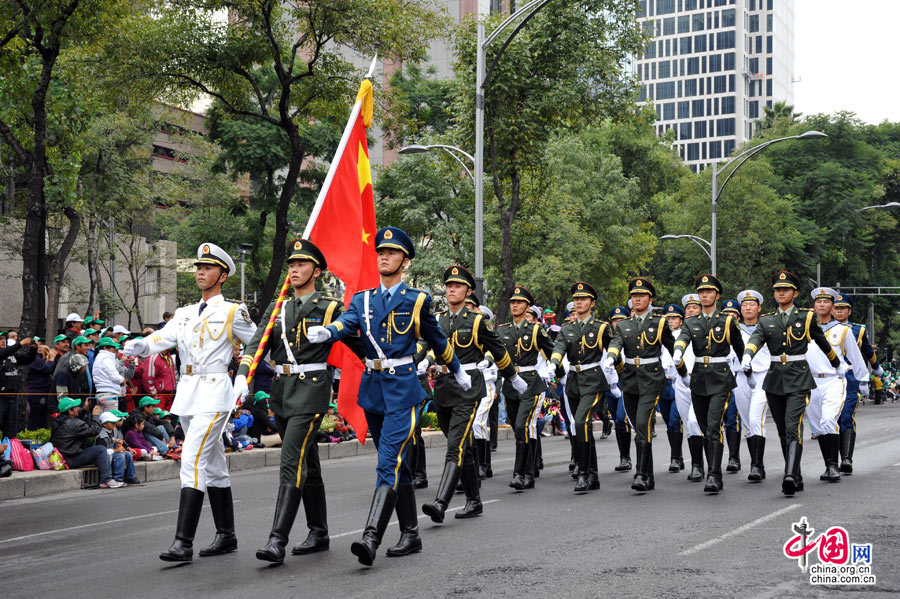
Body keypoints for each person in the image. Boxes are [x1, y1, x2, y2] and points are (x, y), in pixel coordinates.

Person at [305, 227, 469, 567]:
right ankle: (411, 533)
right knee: (397, 464)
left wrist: (457, 368)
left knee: (387, 462)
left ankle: (371, 537)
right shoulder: (363, 299)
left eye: (391, 253)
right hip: (374, 389)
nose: (384, 256)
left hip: (403, 389)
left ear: (404, 261)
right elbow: (348, 322)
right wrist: (329, 331)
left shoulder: (417, 300)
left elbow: (437, 339)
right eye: (381, 252)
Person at [124, 242, 257, 562]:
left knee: (192, 459)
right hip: (188, 393)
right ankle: (227, 535)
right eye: (198, 267)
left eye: (208, 268)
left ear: (222, 276)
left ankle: (183, 541)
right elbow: (163, 338)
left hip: (215, 392)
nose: (200, 272)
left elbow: (259, 343)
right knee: (214, 465)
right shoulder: (183, 313)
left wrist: (243, 374)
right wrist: (141, 345)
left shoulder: (232, 311)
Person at [242, 238, 364, 564]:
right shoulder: (279, 307)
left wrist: (386, 363)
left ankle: (276, 540)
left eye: (301, 264)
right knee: (308, 463)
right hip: (282, 392)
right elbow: (256, 344)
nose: (294, 270)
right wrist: (242, 374)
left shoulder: (329, 307)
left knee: (291, 460)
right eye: (292, 265)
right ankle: (319, 532)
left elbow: (358, 343)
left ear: (317, 271)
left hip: (311, 391)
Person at [420, 266, 521, 519]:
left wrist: (512, 376)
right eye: (449, 285)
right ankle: (475, 501)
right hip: (443, 387)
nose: (451, 290)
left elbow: (498, 350)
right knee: (462, 445)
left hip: (467, 389)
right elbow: (426, 344)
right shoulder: (438, 320)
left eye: (457, 286)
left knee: (454, 446)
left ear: (468, 291)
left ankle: (440, 503)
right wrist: (417, 360)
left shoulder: (477, 321)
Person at [741, 271, 843, 496]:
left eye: (785, 289)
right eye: (778, 290)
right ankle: (796, 475)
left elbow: (822, 341)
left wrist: (836, 363)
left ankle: (788, 476)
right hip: (775, 379)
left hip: (798, 377)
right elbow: (755, 340)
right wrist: (747, 356)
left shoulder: (806, 317)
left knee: (792, 425)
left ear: (794, 293)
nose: (781, 293)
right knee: (782, 430)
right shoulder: (766, 320)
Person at [606, 278, 683, 493]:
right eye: (634, 295)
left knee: (642, 423)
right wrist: (611, 356)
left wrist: (683, 371)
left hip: (651, 379)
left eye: (641, 295)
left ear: (650, 299)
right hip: (630, 379)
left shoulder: (659, 323)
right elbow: (616, 343)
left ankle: (640, 473)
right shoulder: (623, 325)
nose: (637, 298)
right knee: (639, 427)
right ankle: (648, 476)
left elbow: (673, 347)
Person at [671, 274, 744, 494]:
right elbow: (683, 338)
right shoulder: (691, 322)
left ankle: (714, 475)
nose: (704, 295)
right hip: (699, 378)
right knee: (704, 427)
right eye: (701, 292)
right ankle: (710, 468)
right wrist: (678, 351)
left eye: (709, 292)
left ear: (717, 295)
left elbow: (740, 348)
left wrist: (747, 370)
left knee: (713, 426)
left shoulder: (727, 321)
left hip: (720, 378)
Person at [550, 282, 620, 493]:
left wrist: (613, 362)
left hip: (593, 379)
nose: (578, 302)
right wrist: (553, 363)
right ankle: (592, 474)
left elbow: (613, 346)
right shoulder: (567, 328)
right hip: (573, 380)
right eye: (576, 299)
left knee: (580, 422)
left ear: (592, 303)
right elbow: (559, 348)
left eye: (583, 299)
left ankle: (583, 473)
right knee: (582, 426)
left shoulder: (600, 327)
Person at [804, 288, 868, 482]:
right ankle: (828, 465)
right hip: (811, 382)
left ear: (832, 306)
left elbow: (856, 358)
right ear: (814, 306)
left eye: (826, 302)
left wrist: (863, 380)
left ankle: (833, 466)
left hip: (834, 380)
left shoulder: (842, 331)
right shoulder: (804, 330)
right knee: (818, 426)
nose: (822, 305)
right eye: (818, 302)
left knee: (828, 420)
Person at [497, 285, 554, 490]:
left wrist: (558, 372)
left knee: (523, 426)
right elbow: (496, 353)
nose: (515, 305)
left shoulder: (536, 330)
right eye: (512, 302)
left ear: (527, 306)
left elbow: (552, 352)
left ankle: (519, 474)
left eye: (519, 302)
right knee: (519, 430)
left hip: (531, 383)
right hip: (511, 384)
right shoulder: (502, 330)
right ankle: (529, 471)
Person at [831, 293, 882, 473]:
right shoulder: (823, 328)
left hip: (850, 377)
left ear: (849, 311)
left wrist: (875, 367)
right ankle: (831, 462)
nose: (839, 311)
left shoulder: (857, 330)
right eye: (836, 308)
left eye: (842, 308)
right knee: (832, 419)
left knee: (846, 416)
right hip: (830, 378)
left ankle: (846, 459)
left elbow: (867, 350)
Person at [734, 290, 771, 481]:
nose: (748, 308)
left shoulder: (766, 327)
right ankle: (756, 463)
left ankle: (757, 465)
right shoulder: (734, 329)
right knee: (748, 422)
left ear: (759, 308)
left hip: (762, 377)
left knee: (756, 419)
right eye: (744, 305)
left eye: (752, 304)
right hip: (740, 378)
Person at [50, 397, 122, 488]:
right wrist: (95, 416)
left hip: (62, 457)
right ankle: (106, 480)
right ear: (70, 411)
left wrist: (84, 409)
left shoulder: (59, 420)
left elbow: (74, 420)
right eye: (76, 407)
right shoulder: (74, 424)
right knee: (101, 449)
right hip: (70, 460)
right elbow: (95, 430)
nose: (78, 408)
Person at [660, 304, 685, 472]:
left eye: (674, 318)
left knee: (675, 419)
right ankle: (677, 455)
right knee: (668, 421)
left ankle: (675, 458)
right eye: (668, 318)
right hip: (663, 382)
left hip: (678, 381)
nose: (671, 321)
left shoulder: (684, 336)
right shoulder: (658, 336)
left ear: (681, 321)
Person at [720, 298, 744, 472]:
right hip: (719, 379)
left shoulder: (743, 333)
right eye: (726, 314)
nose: (729, 317)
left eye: (733, 314)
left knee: (732, 418)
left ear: (738, 318)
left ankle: (734, 457)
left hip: (737, 379)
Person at [0, 333, 36, 437]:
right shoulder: (4, 353)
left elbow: (27, 359)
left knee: (11, 429)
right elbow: (3, 353)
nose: (3, 340)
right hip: (1, 397)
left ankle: (9, 446)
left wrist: (33, 349)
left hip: (13, 396)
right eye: (0, 339)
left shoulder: (12, 355)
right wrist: (20, 344)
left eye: (4, 338)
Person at [95, 411, 141, 485]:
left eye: (114, 422)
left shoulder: (114, 430)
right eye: (112, 423)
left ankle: (130, 477)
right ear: (104, 424)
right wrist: (116, 450)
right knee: (120, 456)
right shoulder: (101, 436)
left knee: (128, 454)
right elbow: (102, 451)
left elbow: (121, 440)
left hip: (113, 453)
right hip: (106, 457)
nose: (114, 424)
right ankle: (118, 478)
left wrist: (127, 447)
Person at [26, 337, 57, 429]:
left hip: (40, 391)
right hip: (37, 392)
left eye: (41, 344)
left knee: (41, 418)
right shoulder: (34, 358)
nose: (40, 346)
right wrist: (51, 359)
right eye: (37, 345)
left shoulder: (38, 358)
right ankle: (33, 435)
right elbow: (47, 369)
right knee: (36, 418)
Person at [92, 337, 125, 413]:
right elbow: (114, 377)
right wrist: (122, 380)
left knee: (103, 418)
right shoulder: (107, 358)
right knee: (111, 418)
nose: (114, 349)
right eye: (112, 347)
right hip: (109, 394)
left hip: (101, 393)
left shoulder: (99, 357)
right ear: (105, 347)